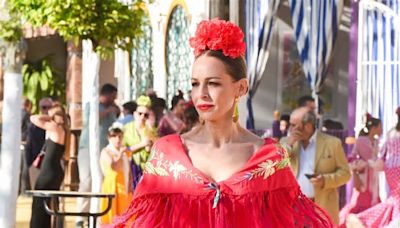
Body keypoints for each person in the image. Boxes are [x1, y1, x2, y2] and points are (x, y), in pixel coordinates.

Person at [111, 19, 333, 227]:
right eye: (195, 84)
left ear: (241, 88)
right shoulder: (167, 154)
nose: (201, 94)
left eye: (213, 83)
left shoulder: (270, 158)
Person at [282, 107, 351, 225]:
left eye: (294, 125)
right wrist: (289, 144)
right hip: (294, 207)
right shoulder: (286, 143)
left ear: (308, 126)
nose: (290, 129)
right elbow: (274, 165)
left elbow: (345, 173)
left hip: (321, 208)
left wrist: (325, 180)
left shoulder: (332, 143)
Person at [76, 83, 119, 227]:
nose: (114, 99)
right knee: (86, 181)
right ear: (105, 94)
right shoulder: (92, 106)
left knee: (101, 181)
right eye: (112, 96)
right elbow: (90, 121)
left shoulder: (112, 109)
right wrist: (106, 112)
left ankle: (96, 215)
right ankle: (80, 217)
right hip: (87, 148)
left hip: (103, 151)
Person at [29, 104, 69, 228]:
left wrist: (47, 116)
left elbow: (34, 118)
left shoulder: (55, 127)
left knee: (39, 206)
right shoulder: (64, 130)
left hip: (48, 172)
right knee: (48, 206)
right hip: (55, 171)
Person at [346, 136, 400, 227]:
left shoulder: (383, 157)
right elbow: (360, 187)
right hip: (367, 200)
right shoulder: (362, 165)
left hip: (382, 202)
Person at [339, 114, 382, 226]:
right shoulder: (362, 140)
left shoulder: (376, 142)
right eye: (380, 127)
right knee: (359, 200)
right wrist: (358, 169)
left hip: (373, 177)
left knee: (372, 199)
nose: (381, 129)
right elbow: (356, 157)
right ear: (374, 128)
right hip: (363, 175)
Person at [123, 95, 158, 190]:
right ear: (134, 114)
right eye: (140, 113)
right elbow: (123, 150)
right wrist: (141, 144)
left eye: (146, 115)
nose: (142, 117)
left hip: (146, 170)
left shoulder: (149, 130)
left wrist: (150, 131)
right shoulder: (126, 129)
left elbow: (152, 150)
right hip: (131, 168)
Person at [100, 123, 132, 225]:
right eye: (114, 136)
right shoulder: (106, 151)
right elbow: (112, 165)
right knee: (111, 216)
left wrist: (130, 186)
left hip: (123, 187)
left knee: (124, 216)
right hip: (111, 187)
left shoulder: (124, 152)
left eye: (119, 136)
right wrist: (120, 154)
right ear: (109, 138)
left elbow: (129, 171)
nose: (117, 139)